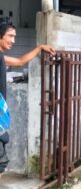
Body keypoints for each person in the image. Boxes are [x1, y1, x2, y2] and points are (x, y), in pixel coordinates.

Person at [0, 23, 55, 176]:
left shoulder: (1, 57)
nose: (13, 41)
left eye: (15, 37)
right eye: (10, 36)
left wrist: (39, 48)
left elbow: (19, 62)